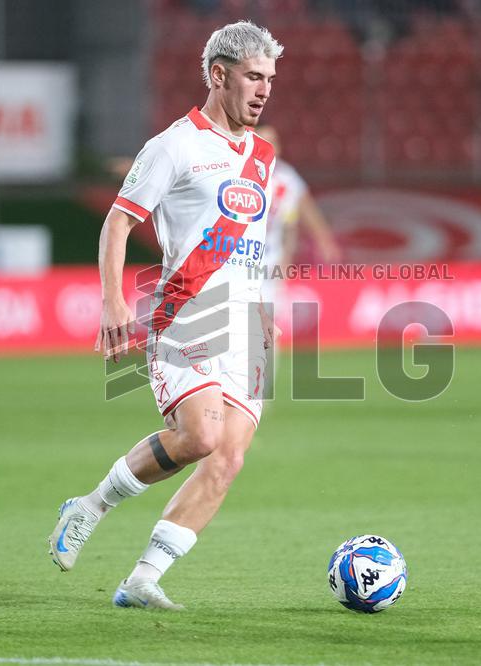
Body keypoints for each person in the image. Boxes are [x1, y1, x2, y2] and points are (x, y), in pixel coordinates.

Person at [47, 20, 283, 611]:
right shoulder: (172, 146)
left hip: (250, 326)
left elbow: (251, 237)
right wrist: (113, 301)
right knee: (200, 438)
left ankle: (144, 579)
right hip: (189, 312)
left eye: (270, 80)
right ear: (218, 75)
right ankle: (91, 505)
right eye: (253, 77)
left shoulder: (263, 155)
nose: (263, 90)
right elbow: (118, 222)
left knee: (228, 457)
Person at [253, 124, 340, 310]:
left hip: (270, 261)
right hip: (239, 262)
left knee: (266, 324)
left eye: (273, 141)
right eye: (262, 141)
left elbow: (303, 210)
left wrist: (323, 240)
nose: (269, 146)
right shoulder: (237, 174)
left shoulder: (287, 177)